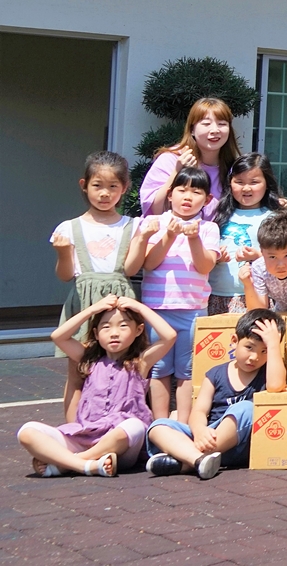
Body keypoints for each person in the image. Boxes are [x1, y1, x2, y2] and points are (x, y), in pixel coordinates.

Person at [18, 295, 175, 478]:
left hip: (120, 446)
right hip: (84, 436)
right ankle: (88, 465)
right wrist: (93, 309)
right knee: (27, 431)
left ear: (139, 330)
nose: (114, 333)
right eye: (106, 327)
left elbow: (169, 336)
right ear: (96, 333)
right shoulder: (89, 360)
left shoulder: (140, 363)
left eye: (123, 326)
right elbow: (58, 336)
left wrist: (139, 307)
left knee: (134, 426)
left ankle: (68, 463)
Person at [145, 308, 285, 479]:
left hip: (237, 445)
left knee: (246, 409)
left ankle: (188, 459)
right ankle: (199, 460)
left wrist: (273, 345)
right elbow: (199, 411)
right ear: (234, 341)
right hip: (207, 436)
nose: (254, 357)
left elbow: (276, 386)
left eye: (265, 351)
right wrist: (199, 430)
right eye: (249, 347)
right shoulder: (215, 374)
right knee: (158, 426)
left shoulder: (268, 373)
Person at [134, 165, 220, 421]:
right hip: (156, 309)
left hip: (192, 310)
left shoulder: (208, 229)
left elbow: (205, 266)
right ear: (170, 195)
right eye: (182, 190)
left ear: (207, 199)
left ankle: (183, 423)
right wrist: (169, 236)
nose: (188, 197)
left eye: (196, 192)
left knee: (187, 370)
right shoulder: (154, 223)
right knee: (158, 369)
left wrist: (194, 239)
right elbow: (149, 263)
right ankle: (159, 423)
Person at [52, 152, 140, 339]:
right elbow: (65, 276)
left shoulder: (132, 226)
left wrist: (144, 239)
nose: (104, 193)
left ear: (124, 187)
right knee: (81, 351)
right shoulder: (69, 228)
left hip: (120, 302)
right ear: (84, 185)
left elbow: (131, 270)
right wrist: (63, 252)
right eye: (97, 185)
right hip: (83, 302)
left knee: (119, 352)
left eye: (113, 186)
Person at [213, 153, 287, 316]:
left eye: (254, 182)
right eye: (239, 182)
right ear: (230, 183)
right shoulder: (218, 214)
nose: (246, 188)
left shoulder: (275, 217)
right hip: (215, 294)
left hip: (258, 297)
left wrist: (259, 257)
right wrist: (215, 258)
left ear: (267, 183)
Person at [140, 98, 240, 220]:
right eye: (206, 124)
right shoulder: (171, 159)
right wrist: (177, 172)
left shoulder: (234, 168)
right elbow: (154, 210)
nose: (215, 130)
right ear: (192, 129)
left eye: (222, 124)